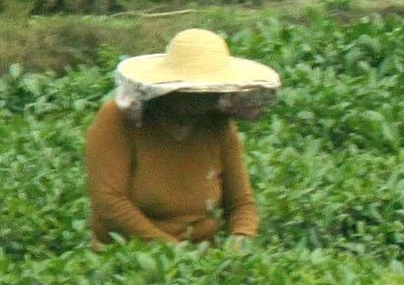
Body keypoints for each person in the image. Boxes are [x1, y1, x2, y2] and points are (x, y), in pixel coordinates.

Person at [86, 28, 280, 249]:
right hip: (129, 253)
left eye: (214, 92)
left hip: (201, 252)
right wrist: (172, 251)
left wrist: (240, 238)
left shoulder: (218, 124)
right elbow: (109, 203)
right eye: (195, 92)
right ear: (169, 90)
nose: (206, 100)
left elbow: (241, 202)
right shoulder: (118, 119)